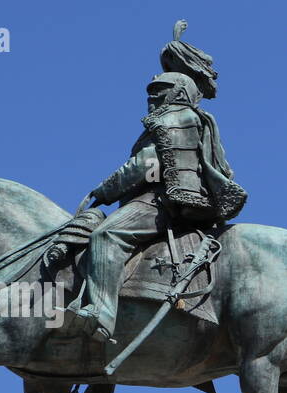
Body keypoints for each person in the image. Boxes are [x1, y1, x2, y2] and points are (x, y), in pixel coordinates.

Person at [70, 71, 245, 343]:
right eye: (150, 89)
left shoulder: (173, 117)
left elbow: (146, 164)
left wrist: (104, 190)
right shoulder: (180, 118)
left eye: (160, 89)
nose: (151, 95)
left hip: (163, 200)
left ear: (179, 91)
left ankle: (100, 314)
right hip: (169, 199)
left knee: (106, 235)